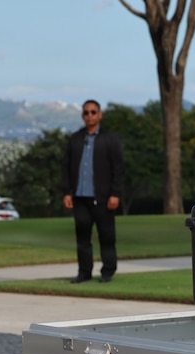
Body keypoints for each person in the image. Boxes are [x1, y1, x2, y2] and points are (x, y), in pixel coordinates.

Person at [61, 99, 125, 283]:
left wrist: (115, 193)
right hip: (80, 197)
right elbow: (66, 166)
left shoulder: (109, 139)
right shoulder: (76, 139)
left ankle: (108, 271)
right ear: (83, 115)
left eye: (93, 112)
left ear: (99, 114)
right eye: (86, 113)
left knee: (106, 237)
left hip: (103, 198)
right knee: (82, 238)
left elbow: (118, 168)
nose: (89, 116)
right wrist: (66, 192)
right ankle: (84, 272)